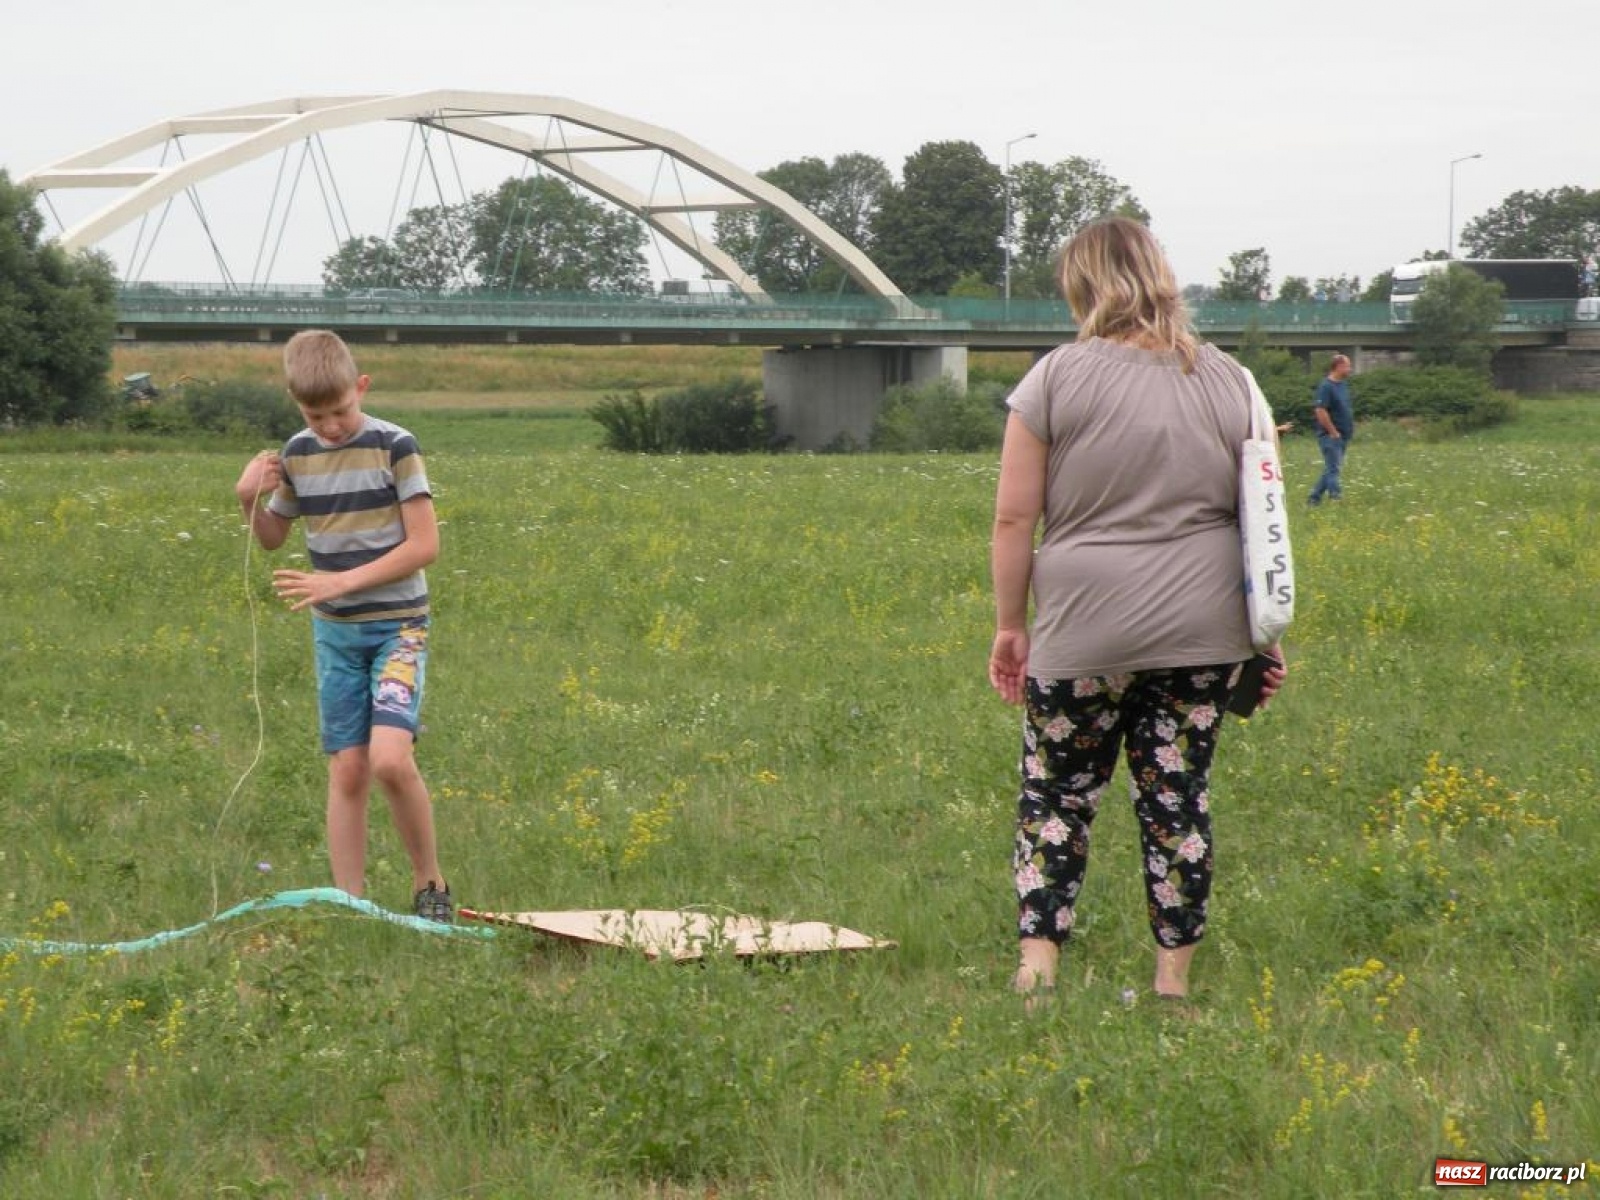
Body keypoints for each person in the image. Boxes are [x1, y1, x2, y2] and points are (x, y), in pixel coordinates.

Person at [987, 216, 1286, 1007]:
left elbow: (1016, 519)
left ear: (1082, 287)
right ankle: (1172, 986)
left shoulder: (1052, 379)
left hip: (1084, 627)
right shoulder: (1235, 383)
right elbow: (1266, 522)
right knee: (1176, 800)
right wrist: (1265, 638)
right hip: (1203, 631)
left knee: (1056, 794)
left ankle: (1037, 971)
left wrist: (1011, 626)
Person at [234, 330, 453, 922]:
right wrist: (247, 500)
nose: (329, 426)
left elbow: (425, 546)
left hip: (397, 627)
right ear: (295, 403)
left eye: (340, 410)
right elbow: (274, 539)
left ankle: (430, 883)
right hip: (335, 635)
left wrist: (338, 582)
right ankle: (351, 903)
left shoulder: (395, 446)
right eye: (315, 414)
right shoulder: (298, 453)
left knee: (387, 759)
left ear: (361, 387)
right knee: (348, 766)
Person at [1308, 353, 1354, 505]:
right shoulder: (1326, 387)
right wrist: (1333, 432)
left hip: (1343, 435)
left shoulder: (1342, 385)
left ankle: (1314, 499)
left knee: (1331, 468)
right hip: (1330, 436)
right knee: (1334, 469)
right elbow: (1320, 410)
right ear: (1339, 366)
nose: (1350, 369)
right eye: (1348, 366)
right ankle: (1336, 498)